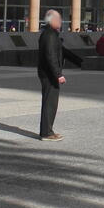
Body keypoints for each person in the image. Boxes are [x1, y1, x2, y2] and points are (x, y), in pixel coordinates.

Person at [37, 9, 65, 140]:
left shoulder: (49, 33)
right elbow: (50, 55)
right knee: (50, 103)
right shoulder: (50, 35)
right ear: (51, 20)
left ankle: (48, 130)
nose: (60, 21)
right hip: (49, 74)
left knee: (50, 102)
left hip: (48, 73)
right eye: (58, 19)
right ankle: (47, 133)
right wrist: (58, 74)